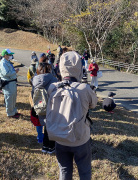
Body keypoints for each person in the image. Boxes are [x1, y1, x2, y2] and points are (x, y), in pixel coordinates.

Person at [46, 51, 97, 179]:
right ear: (79, 68)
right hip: (80, 138)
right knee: (84, 171)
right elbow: (93, 104)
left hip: (59, 137)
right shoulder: (84, 89)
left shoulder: (53, 87)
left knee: (64, 170)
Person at [33, 62, 58, 153]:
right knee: (51, 127)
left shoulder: (35, 80)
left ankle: (44, 146)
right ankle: (51, 147)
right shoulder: (53, 79)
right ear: (49, 69)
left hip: (39, 106)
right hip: (51, 106)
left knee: (43, 125)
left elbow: (33, 93)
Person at [0, 49, 20, 119]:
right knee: (9, 98)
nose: (11, 56)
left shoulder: (8, 62)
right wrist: (15, 72)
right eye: (10, 55)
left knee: (13, 97)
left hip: (12, 82)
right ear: (5, 55)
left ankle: (14, 111)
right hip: (8, 83)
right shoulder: (3, 63)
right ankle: (10, 113)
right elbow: (6, 73)